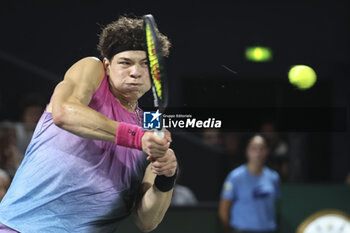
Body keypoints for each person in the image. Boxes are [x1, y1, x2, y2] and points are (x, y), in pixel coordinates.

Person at [0, 16, 178, 233]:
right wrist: (136, 137)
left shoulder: (152, 128)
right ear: (107, 65)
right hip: (17, 228)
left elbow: (147, 220)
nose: (136, 72)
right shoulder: (92, 71)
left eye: (146, 64)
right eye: (125, 62)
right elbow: (64, 113)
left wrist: (166, 177)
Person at [218, 134, 280, 233]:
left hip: (268, 229)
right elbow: (223, 210)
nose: (258, 153)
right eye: (254, 148)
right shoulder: (235, 177)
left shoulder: (274, 177)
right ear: (247, 151)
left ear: (267, 151)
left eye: (262, 148)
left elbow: (275, 205)